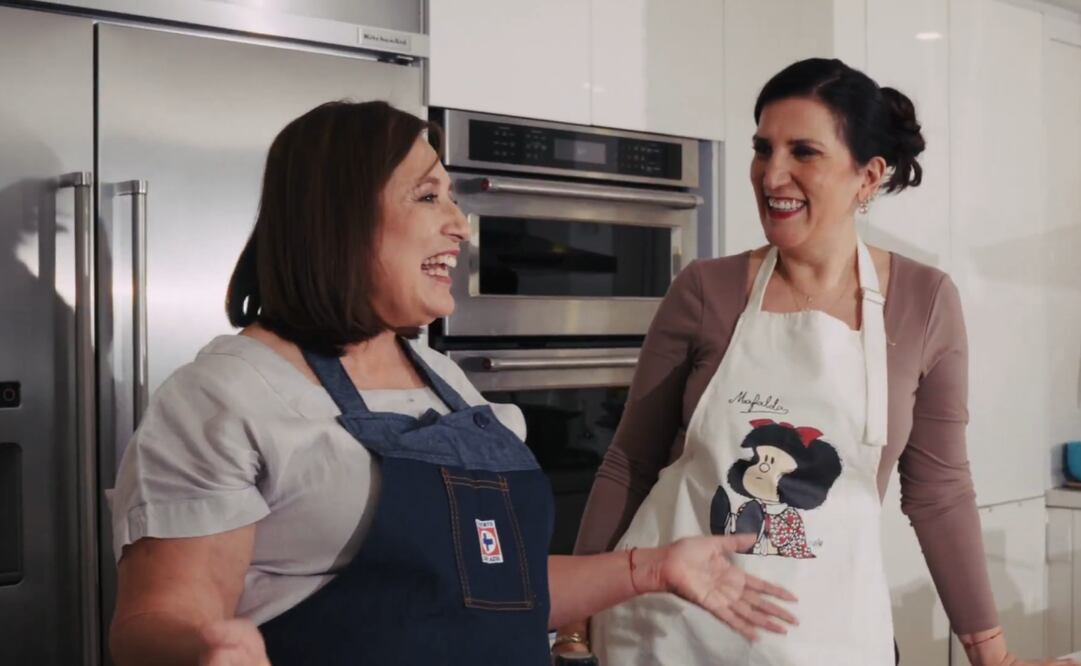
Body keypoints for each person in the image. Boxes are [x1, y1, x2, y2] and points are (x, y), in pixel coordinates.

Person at [106, 100, 798, 666]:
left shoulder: (440, 379)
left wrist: (651, 570)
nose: (459, 225)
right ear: (341, 218)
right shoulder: (225, 396)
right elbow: (156, 620)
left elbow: (495, 591)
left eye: (455, 198)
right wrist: (204, 648)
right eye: (429, 194)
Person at [555, 58, 1081, 666]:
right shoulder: (708, 290)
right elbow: (630, 462)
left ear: (868, 177)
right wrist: (574, 625)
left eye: (803, 151)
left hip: (828, 635)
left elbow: (939, 493)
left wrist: (994, 656)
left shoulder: (923, 301)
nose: (771, 174)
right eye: (763, 148)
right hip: (671, 634)